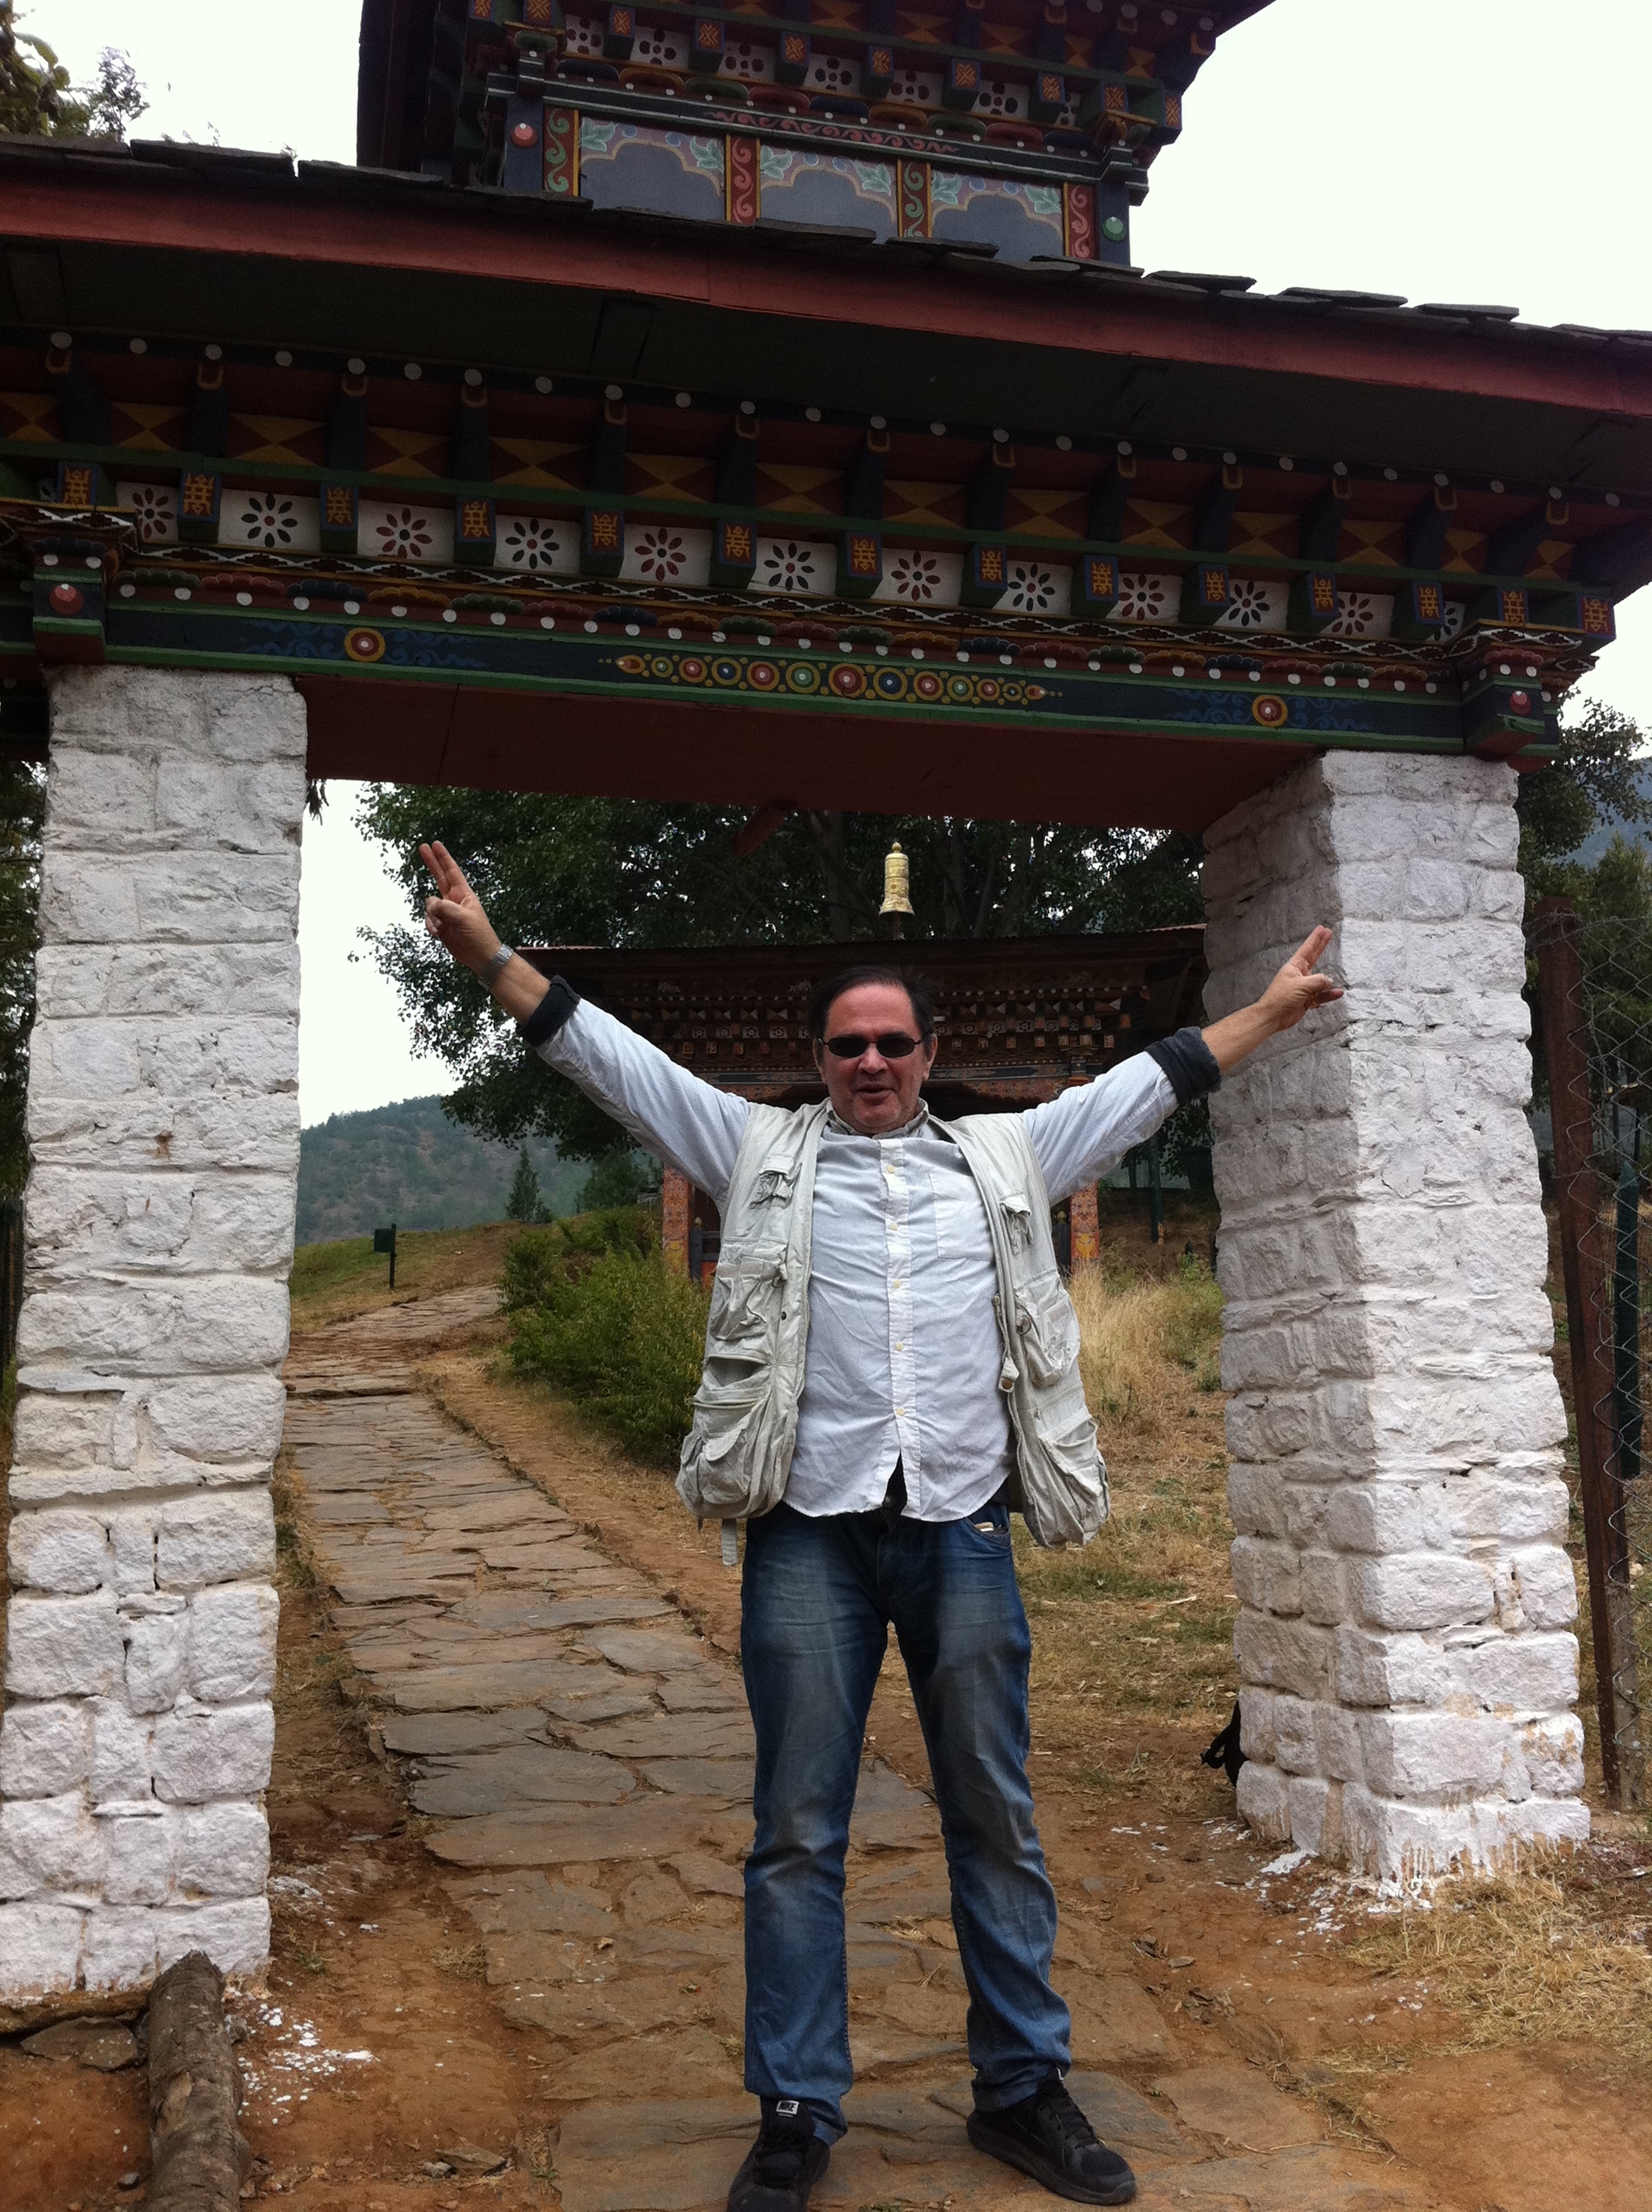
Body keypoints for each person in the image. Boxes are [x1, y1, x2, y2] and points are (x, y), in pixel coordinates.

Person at [419, 840, 1341, 2209]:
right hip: (807, 1534)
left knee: (995, 1815)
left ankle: (1021, 2089)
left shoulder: (1011, 1154)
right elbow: (611, 1061)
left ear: (929, 1053)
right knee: (798, 1827)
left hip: (962, 1529)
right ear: (815, 1059)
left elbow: (1151, 1084)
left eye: (893, 1042)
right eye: (848, 1044)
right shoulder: (752, 1147)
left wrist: (1265, 1013)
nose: (871, 1063)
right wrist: (493, 957)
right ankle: (796, 2107)